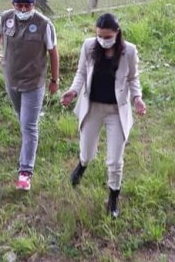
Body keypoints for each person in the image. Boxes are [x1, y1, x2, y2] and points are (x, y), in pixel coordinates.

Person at [61, 13, 147, 218]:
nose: (103, 40)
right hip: (93, 108)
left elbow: (133, 78)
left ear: (117, 33)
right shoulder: (89, 47)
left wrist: (137, 98)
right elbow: (81, 73)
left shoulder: (129, 51)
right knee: (87, 150)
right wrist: (73, 91)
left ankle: (113, 196)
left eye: (107, 36)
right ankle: (82, 164)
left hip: (116, 111)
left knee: (115, 160)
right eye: (99, 35)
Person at [0, 0, 60, 192]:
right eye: (19, 6)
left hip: (34, 82)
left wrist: (54, 80)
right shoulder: (5, 19)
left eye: (27, 6)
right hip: (12, 79)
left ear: (33, 5)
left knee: (29, 126)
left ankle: (25, 172)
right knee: (23, 119)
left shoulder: (43, 24)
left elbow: (53, 53)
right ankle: (28, 144)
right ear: (13, 5)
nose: (23, 9)